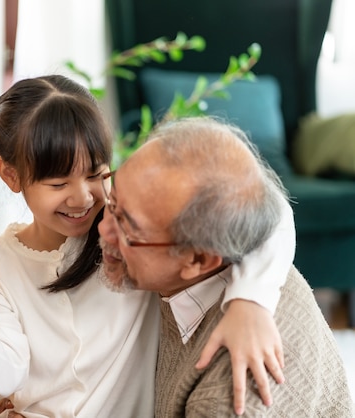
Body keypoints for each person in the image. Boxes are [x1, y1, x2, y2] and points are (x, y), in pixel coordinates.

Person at [0, 75, 293, 417]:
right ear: (12, 176)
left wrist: (250, 301)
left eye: (96, 174)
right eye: (59, 182)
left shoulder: (125, 241)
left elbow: (267, 213)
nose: (84, 198)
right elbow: (1, 374)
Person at [98, 116, 355, 417]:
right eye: (112, 200)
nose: (104, 229)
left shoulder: (230, 398)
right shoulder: (229, 253)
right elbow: (270, 203)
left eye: (127, 228)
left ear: (198, 260)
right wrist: (251, 298)